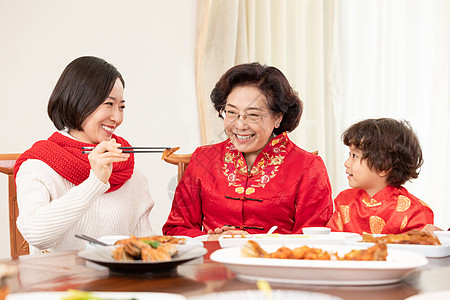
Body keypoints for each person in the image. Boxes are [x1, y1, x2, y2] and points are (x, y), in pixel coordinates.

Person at [163, 62, 333, 240]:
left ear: (278, 117)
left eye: (252, 115)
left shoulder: (308, 166)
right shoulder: (203, 158)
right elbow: (176, 228)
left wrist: (256, 242)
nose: (240, 125)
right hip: (214, 263)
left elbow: (316, 239)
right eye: (231, 112)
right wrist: (211, 239)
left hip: (276, 265)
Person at [14, 56, 155, 253]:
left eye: (121, 107)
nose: (117, 117)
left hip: (118, 282)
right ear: (79, 101)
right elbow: (37, 235)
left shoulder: (128, 171)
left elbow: (146, 247)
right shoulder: (38, 167)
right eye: (108, 104)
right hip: (58, 282)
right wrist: (94, 182)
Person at [326, 118, 434, 234]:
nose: (346, 163)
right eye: (350, 154)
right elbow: (332, 242)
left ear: (384, 167)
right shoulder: (345, 201)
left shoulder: (415, 212)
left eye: (354, 156)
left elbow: (417, 247)